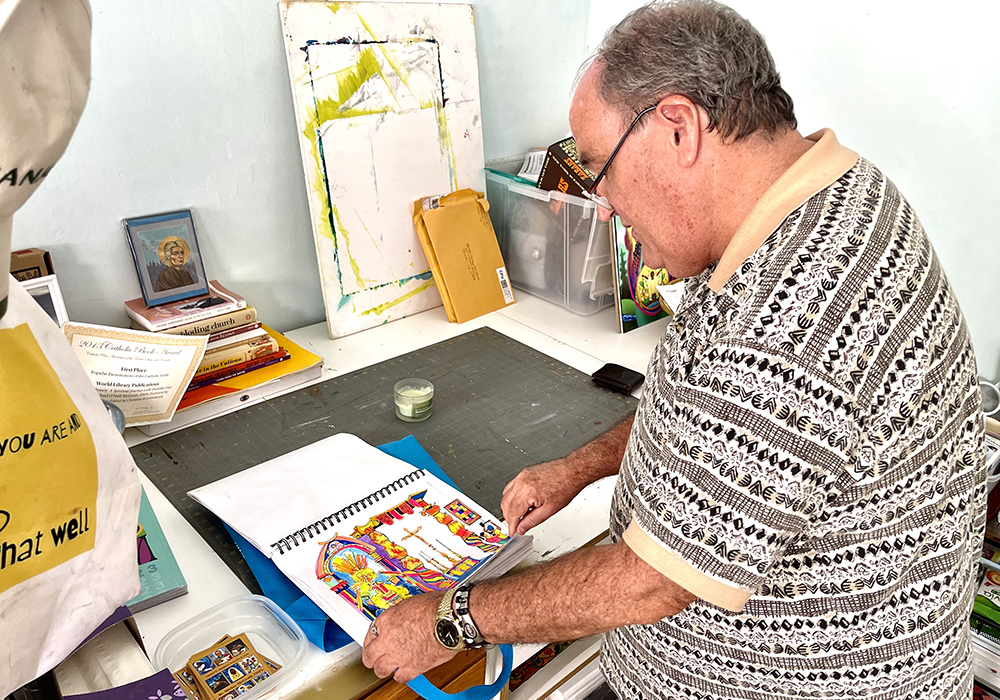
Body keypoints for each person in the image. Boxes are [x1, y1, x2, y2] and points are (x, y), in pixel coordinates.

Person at [361, 2, 985, 698]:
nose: (602, 205)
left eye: (598, 170)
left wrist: (448, 621)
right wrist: (580, 467)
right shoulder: (817, 198)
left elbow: (650, 583)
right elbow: (708, 416)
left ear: (680, 128)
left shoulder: (793, 320)